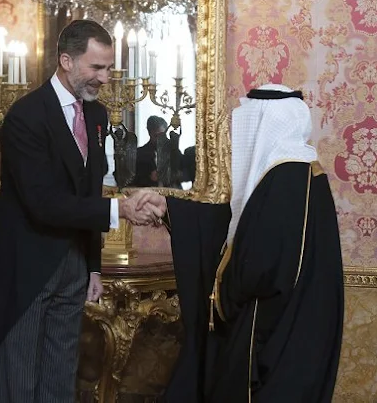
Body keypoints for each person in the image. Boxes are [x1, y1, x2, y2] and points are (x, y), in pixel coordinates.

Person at [0, 20, 162, 403]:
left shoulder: (96, 116)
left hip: (74, 265)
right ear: (66, 60)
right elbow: (42, 203)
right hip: (27, 269)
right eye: (97, 67)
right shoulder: (26, 116)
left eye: (108, 67)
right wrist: (120, 209)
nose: (105, 78)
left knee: (60, 384)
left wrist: (92, 264)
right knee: (20, 386)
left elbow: (88, 190)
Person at [134, 85, 344, 402]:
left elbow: (256, 266)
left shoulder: (284, 178)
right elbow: (237, 225)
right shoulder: (303, 173)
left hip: (271, 339)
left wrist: (223, 293)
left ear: (262, 125)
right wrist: (170, 207)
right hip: (297, 328)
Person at [134, 116, 182, 188]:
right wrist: (149, 178)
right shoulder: (139, 154)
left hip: (173, 195)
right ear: (149, 132)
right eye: (156, 136)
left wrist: (171, 174)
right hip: (149, 195)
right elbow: (133, 180)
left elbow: (185, 173)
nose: (159, 139)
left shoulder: (173, 151)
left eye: (162, 135)